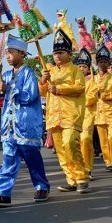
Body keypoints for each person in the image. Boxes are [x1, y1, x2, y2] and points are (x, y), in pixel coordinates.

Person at [0, 34, 50, 207]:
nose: (7, 56)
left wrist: (9, 88)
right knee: (8, 159)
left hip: (26, 125)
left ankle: (42, 186)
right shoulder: (5, 74)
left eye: (11, 52)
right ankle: (2, 193)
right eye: (6, 53)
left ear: (21, 53)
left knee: (32, 159)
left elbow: (29, 96)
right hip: (9, 126)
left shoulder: (28, 73)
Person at [39, 29, 90, 193]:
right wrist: (43, 80)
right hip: (54, 116)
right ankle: (71, 179)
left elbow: (80, 88)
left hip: (71, 115)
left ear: (69, 53)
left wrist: (59, 88)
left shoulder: (75, 70)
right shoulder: (50, 71)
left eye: (61, 53)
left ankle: (81, 177)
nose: (57, 57)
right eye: (55, 54)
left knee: (70, 144)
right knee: (61, 151)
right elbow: (41, 92)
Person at [94, 45, 112, 174]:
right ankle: (108, 162)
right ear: (97, 63)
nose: (103, 64)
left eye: (105, 62)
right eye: (101, 61)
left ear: (109, 63)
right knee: (103, 141)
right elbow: (88, 96)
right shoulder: (92, 80)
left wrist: (103, 95)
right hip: (98, 114)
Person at [75, 49, 99, 180]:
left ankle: (87, 168)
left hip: (87, 115)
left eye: (84, 66)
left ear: (88, 69)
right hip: (73, 115)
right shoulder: (72, 81)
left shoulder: (91, 83)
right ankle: (77, 169)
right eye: (79, 66)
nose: (81, 68)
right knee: (74, 143)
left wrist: (79, 96)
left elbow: (91, 99)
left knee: (85, 140)